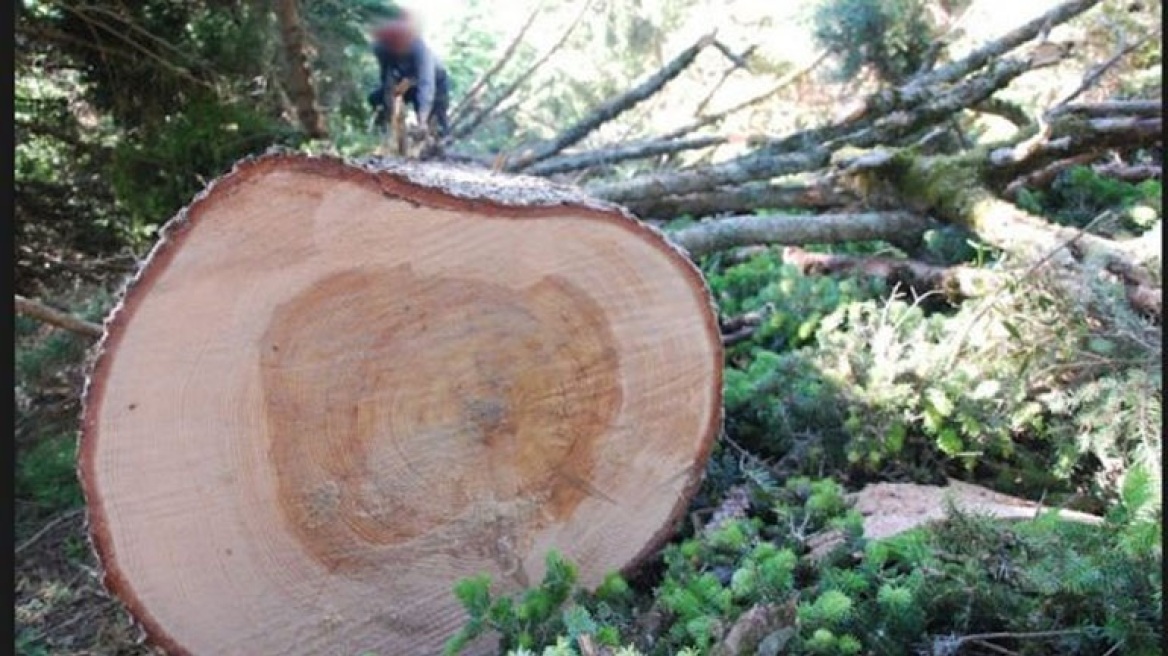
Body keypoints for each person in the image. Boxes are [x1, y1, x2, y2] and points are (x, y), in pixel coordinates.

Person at [367, 10, 451, 138]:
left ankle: (438, 142)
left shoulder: (420, 50)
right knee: (375, 98)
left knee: (435, 116)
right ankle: (384, 135)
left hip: (434, 82)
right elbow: (386, 77)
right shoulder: (381, 49)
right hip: (404, 82)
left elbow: (426, 84)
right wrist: (390, 103)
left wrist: (422, 120)